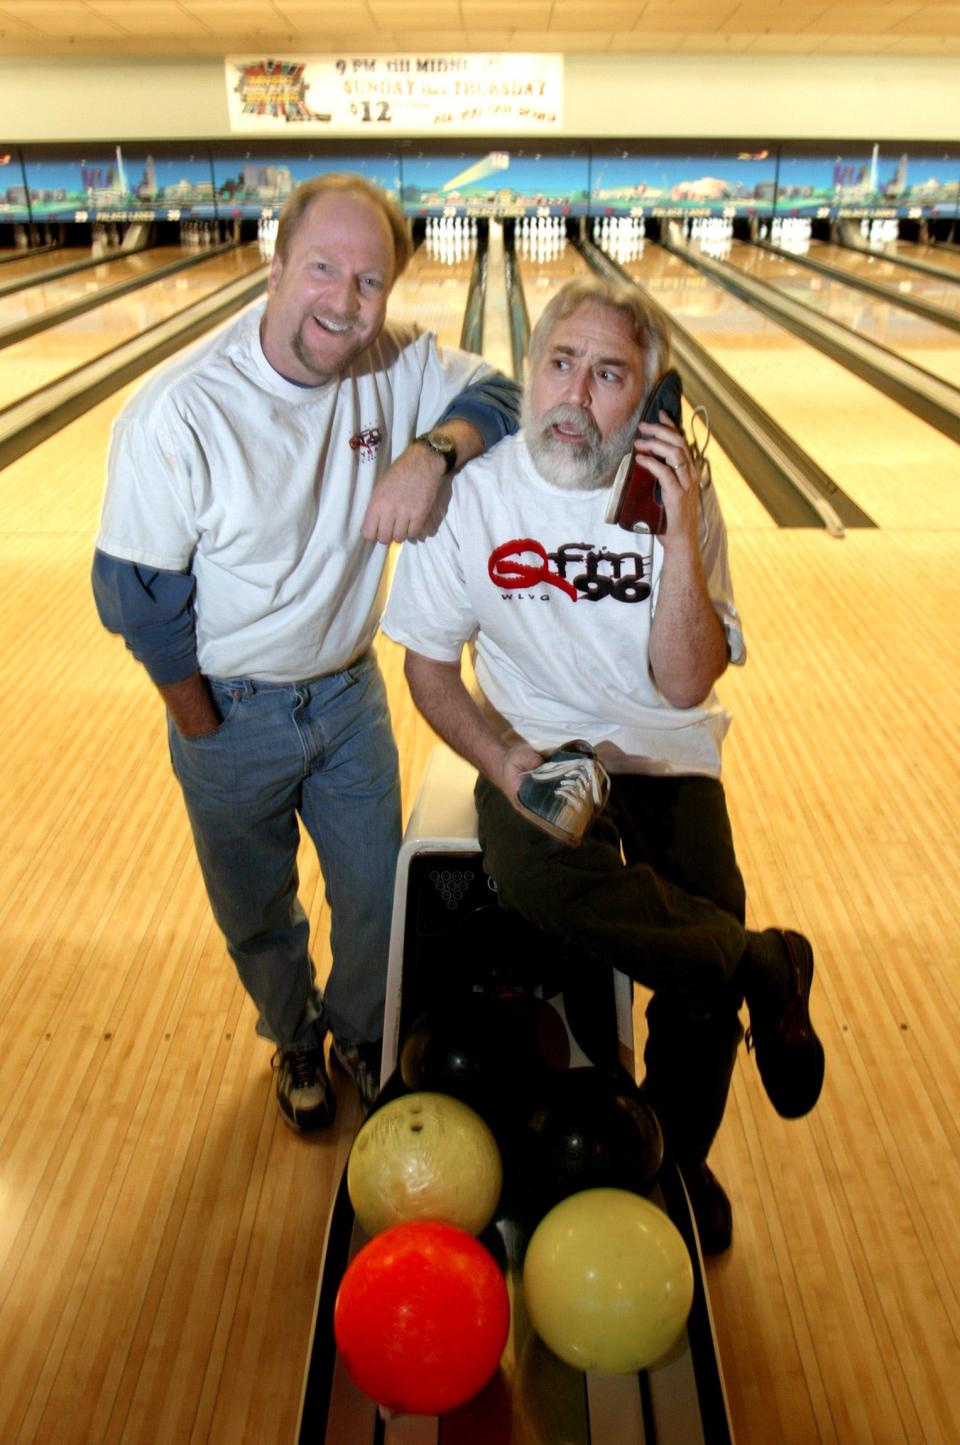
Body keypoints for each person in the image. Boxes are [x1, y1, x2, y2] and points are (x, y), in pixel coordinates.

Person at [381, 276, 825, 1253]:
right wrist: (504, 759)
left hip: (667, 756)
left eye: (611, 374)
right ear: (529, 373)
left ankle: (679, 1155)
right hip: (541, 747)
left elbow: (682, 684)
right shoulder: (474, 500)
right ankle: (761, 958)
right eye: (561, 363)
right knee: (542, 874)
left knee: (694, 964)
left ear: (649, 396)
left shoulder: (677, 500)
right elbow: (426, 669)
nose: (578, 394)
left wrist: (674, 535)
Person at [92, 173, 521, 1133]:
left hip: (347, 699)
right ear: (275, 263)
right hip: (226, 710)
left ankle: (362, 1032)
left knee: (376, 895)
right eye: (323, 267)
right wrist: (202, 722)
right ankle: (293, 1033)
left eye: (369, 280)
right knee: (259, 911)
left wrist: (436, 451)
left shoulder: (391, 361)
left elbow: (508, 393)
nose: (345, 299)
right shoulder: (181, 411)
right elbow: (136, 595)